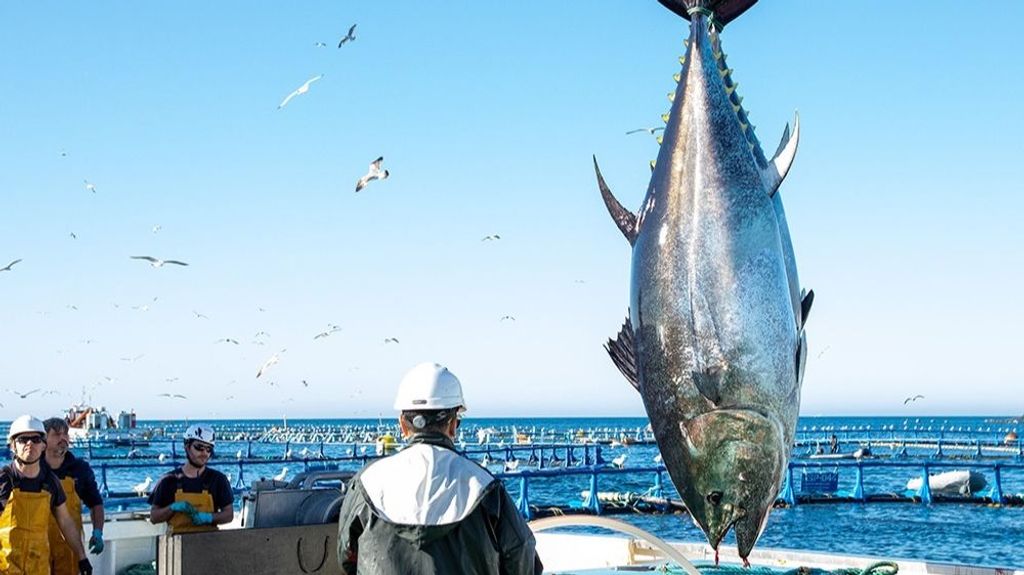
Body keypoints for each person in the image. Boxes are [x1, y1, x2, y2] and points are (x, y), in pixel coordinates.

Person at [337, 362, 543, 574]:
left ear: (402, 424)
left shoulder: (366, 483)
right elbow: (521, 553)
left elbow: (346, 555)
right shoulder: (485, 487)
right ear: (453, 424)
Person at [0, 415, 93, 575]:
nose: (30, 444)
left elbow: (65, 522)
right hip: (6, 567)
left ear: (43, 445)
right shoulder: (4, 480)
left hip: (39, 567)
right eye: (23, 439)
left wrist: (82, 557)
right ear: (13, 445)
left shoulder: (51, 482)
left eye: (36, 439)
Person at [42, 417, 105, 575]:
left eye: (66, 434)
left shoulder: (80, 469)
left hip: (70, 548)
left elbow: (96, 503)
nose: (63, 438)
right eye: (56, 434)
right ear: (43, 439)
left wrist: (98, 532)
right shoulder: (33, 469)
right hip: (38, 547)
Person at [147, 424, 233, 534]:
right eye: (199, 447)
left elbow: (228, 515)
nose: (204, 453)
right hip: (177, 543)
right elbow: (154, 517)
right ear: (187, 447)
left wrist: (208, 518)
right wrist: (173, 508)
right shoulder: (168, 480)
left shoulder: (218, 480)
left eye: (208, 449)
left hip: (210, 543)